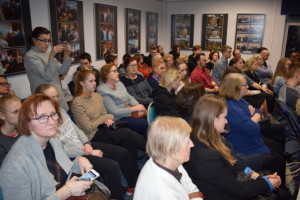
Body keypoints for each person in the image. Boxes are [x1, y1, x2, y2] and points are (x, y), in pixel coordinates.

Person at [35, 84, 136, 199]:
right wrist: (86, 152)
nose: (56, 100)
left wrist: (87, 143)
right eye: (51, 97)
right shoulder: (45, 124)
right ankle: (117, 197)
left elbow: (77, 130)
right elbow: (61, 152)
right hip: (74, 157)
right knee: (111, 166)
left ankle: (132, 187)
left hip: (84, 147)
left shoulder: (61, 111)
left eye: (57, 96)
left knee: (122, 152)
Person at [184, 95, 281, 200]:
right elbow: (238, 190)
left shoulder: (206, 137)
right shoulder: (207, 157)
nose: (226, 121)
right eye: (224, 117)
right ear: (212, 119)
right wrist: (267, 184)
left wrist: (258, 177)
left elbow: (235, 163)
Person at [0, 94, 93, 199]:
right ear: (26, 123)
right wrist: (67, 191)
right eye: (42, 117)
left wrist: (79, 161)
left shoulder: (52, 140)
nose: (52, 122)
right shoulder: (15, 165)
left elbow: (59, 172)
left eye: (53, 114)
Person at [219, 73, 286, 184]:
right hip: (245, 146)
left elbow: (257, 110)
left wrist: (253, 117)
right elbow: (253, 129)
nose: (247, 87)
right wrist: (253, 118)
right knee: (278, 158)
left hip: (251, 139)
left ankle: (278, 184)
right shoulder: (231, 107)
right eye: (244, 85)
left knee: (278, 147)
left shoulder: (239, 100)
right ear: (235, 88)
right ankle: (276, 185)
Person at [133, 116, 204, 200]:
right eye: (187, 141)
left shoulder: (170, 161)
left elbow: (192, 189)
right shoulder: (162, 193)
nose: (192, 145)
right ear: (171, 150)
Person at [24, 26, 71, 110]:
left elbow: (62, 71)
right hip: (44, 98)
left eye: (49, 40)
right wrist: (52, 56)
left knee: (67, 119)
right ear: (34, 39)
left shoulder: (48, 53)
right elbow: (48, 77)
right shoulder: (30, 56)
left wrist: (66, 56)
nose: (47, 44)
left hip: (58, 94)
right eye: (43, 40)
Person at [97, 64, 148, 138]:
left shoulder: (119, 84)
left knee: (151, 119)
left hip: (131, 112)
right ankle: (147, 146)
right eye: (114, 71)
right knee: (145, 124)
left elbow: (130, 98)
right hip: (119, 118)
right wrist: (135, 109)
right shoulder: (102, 90)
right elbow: (114, 112)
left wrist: (137, 106)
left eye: (117, 71)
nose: (118, 73)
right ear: (106, 74)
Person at [0, 94, 21, 167]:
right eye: (15, 112)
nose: (21, 114)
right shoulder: (1, 143)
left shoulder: (25, 131)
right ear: (2, 115)